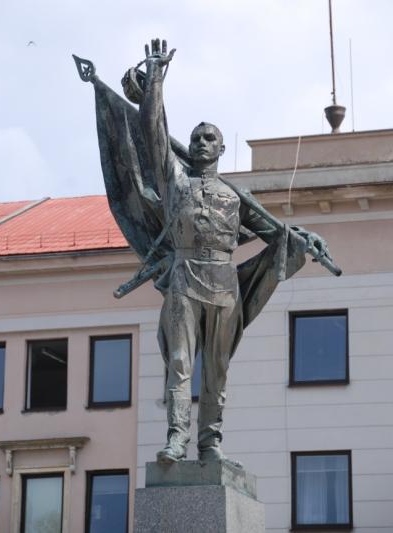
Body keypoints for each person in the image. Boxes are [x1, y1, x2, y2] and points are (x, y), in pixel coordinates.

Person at [131, 39, 330, 465]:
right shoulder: (176, 184)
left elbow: (275, 235)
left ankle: (210, 442)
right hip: (184, 279)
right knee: (181, 364)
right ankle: (176, 439)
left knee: (217, 368)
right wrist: (155, 83)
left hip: (224, 286)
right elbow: (151, 135)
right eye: (196, 138)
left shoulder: (236, 197)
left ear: (221, 150)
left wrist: (302, 239)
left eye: (210, 138)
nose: (202, 143)